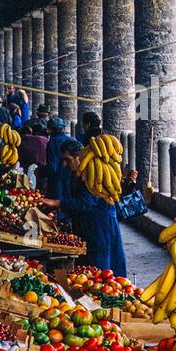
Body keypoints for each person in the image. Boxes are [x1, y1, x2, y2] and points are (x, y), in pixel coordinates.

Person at [44, 139, 127, 275]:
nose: (66, 164)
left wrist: (57, 203)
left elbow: (86, 202)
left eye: (68, 159)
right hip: (88, 226)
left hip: (100, 226)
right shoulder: (77, 173)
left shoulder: (92, 173)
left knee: (102, 269)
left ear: (79, 156)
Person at [45, 115, 68, 197]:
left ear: (52, 130)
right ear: (63, 129)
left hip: (56, 182)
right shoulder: (73, 140)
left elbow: (52, 167)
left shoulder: (52, 143)